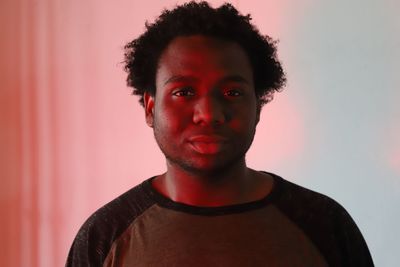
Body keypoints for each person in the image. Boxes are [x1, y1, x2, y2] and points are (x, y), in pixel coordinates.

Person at [66, 2, 374, 266]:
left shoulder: (324, 225)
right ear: (150, 107)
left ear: (258, 106)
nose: (209, 114)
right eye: (184, 91)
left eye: (232, 92)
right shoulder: (104, 236)